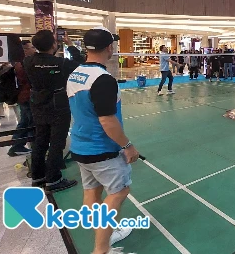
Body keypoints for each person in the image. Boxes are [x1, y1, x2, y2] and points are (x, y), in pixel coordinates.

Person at [67, 27, 138, 254]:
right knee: (118, 193)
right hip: (101, 150)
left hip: (80, 146)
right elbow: (107, 121)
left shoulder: (76, 73)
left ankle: (102, 235)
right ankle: (101, 250)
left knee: (92, 192)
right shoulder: (103, 79)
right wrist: (127, 146)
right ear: (109, 47)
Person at [24, 30, 84, 192]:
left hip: (37, 104)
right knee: (57, 143)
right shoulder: (62, 63)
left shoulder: (28, 61)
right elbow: (81, 63)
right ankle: (53, 179)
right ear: (53, 44)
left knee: (40, 141)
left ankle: (38, 176)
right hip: (58, 105)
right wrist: (70, 45)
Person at [8, 40, 37, 156]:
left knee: (25, 121)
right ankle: (31, 147)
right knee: (31, 122)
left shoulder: (19, 63)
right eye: (32, 47)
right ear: (25, 49)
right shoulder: (24, 64)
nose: (34, 50)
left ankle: (17, 145)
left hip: (23, 96)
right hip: (28, 96)